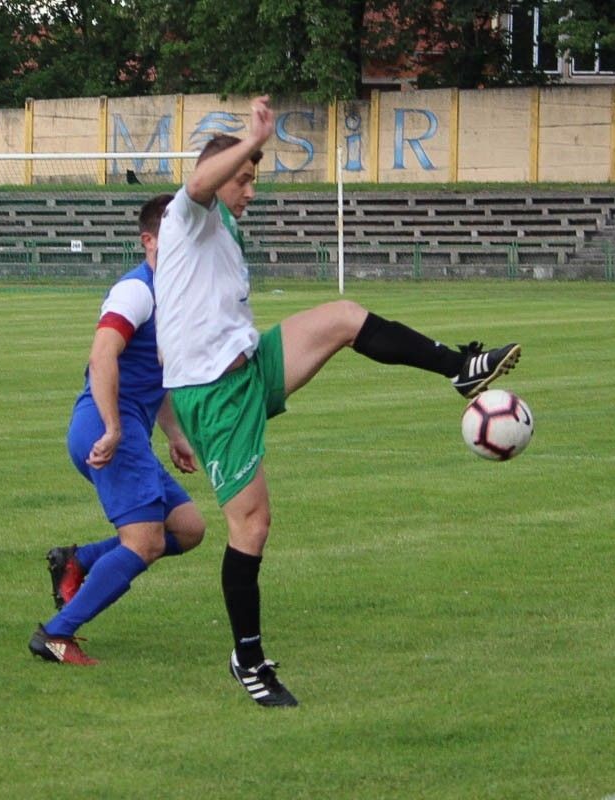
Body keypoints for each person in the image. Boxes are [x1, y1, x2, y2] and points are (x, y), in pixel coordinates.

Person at [154, 96, 522, 708]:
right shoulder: (185, 216)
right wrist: (249, 141)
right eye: (244, 180)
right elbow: (199, 181)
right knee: (252, 525)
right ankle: (248, 661)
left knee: (345, 317)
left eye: (252, 179)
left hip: (248, 366)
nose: (249, 189)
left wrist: (248, 156)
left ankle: (462, 368)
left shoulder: (223, 228)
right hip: (213, 395)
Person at [29, 194, 206, 666]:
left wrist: (174, 435)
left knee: (188, 529)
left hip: (126, 429)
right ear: (149, 241)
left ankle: (79, 561)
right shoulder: (137, 291)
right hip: (108, 427)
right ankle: (56, 634)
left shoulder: (173, 294)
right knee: (145, 541)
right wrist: (112, 428)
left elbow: (155, 376)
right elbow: (102, 355)